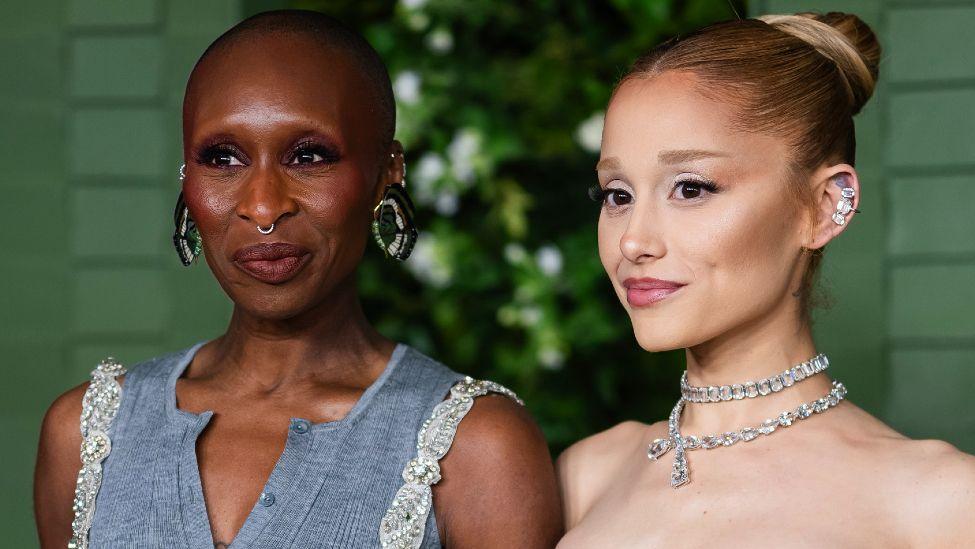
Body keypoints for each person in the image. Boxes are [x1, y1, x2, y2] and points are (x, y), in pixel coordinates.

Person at [34, 10, 561, 548]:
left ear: (386, 170)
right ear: (186, 178)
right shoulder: (87, 432)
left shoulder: (478, 447)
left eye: (308, 156)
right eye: (222, 158)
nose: (263, 207)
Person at [557, 11, 975, 547]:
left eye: (691, 188)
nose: (633, 242)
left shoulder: (938, 504)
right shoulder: (587, 475)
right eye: (617, 195)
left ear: (824, 207)